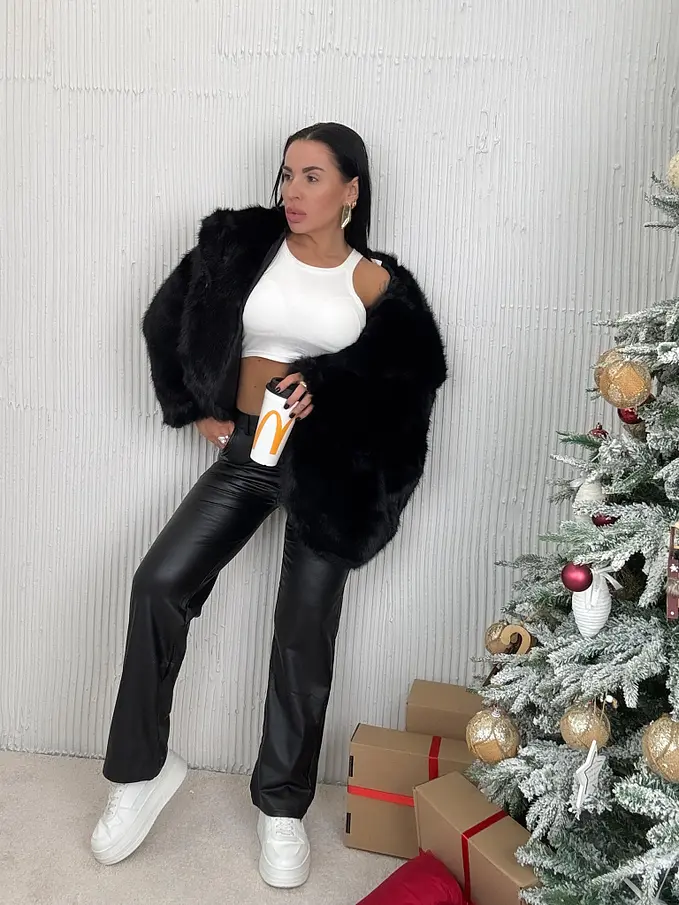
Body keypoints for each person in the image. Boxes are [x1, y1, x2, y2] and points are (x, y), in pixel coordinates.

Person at [91, 122, 447, 888]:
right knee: (159, 582)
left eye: (312, 176)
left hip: (327, 467)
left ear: (350, 190)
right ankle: (142, 771)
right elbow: (166, 317)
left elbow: (410, 384)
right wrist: (198, 406)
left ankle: (281, 807)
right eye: (287, 173)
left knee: (302, 632)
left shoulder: (373, 281)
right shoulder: (243, 246)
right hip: (249, 448)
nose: (292, 189)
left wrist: (329, 384)